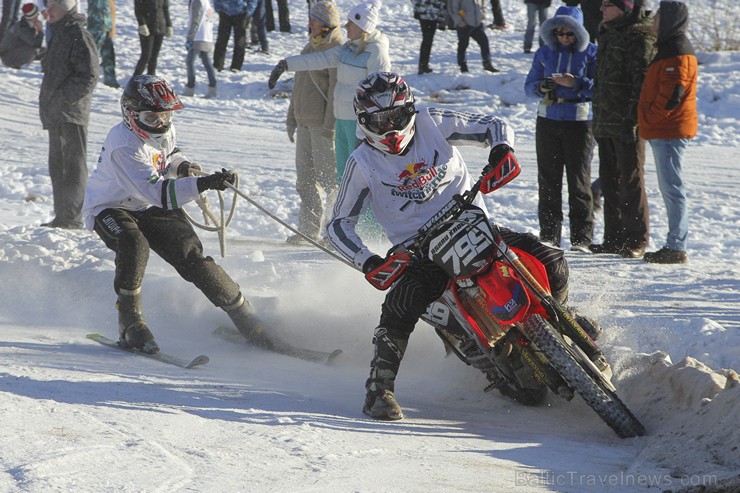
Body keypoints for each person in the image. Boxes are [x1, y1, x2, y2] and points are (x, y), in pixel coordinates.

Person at [327, 72, 573, 420]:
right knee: (401, 303)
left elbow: (494, 123)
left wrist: (502, 150)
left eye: (396, 117)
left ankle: (562, 319)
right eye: (380, 121)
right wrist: (369, 262)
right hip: (420, 250)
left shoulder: (432, 121)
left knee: (551, 259)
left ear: (409, 110)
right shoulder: (362, 162)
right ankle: (378, 389)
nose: (390, 128)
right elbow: (337, 224)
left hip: (474, 225)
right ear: (364, 121)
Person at [82, 75, 271, 354]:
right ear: (130, 114)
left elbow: (169, 156)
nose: (160, 123)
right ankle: (130, 322)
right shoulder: (124, 145)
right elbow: (158, 193)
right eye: (151, 117)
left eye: (165, 115)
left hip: (148, 204)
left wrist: (184, 167)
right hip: (112, 206)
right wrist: (203, 184)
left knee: (192, 258)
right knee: (134, 245)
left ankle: (244, 314)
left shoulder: (163, 129)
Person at [268, 0, 390, 239]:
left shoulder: (375, 51)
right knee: (344, 180)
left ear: (362, 25)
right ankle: (339, 230)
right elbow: (317, 60)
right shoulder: (346, 49)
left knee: (361, 178)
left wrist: (375, 125)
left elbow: (384, 90)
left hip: (359, 125)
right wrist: (286, 64)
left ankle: (371, 232)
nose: (346, 25)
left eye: (351, 22)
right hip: (342, 121)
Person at [524, 5, 596, 251]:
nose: (564, 38)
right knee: (548, 180)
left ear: (579, 33)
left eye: (569, 34)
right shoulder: (544, 53)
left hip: (579, 123)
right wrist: (543, 86)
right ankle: (550, 237)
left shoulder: (592, 52)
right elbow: (528, 86)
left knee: (579, 180)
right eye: (560, 33)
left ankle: (582, 239)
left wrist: (576, 83)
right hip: (548, 121)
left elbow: (600, 87)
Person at [590, 0, 655, 258]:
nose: (602, 9)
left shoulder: (639, 37)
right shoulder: (607, 33)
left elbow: (641, 84)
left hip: (628, 123)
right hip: (605, 120)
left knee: (631, 180)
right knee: (609, 179)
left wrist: (631, 121)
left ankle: (636, 238)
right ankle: (614, 238)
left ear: (625, 8)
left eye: (608, 5)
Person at [638, 1, 697, 264]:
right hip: (664, 129)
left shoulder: (676, 52)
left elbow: (672, 96)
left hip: (669, 130)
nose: (654, 21)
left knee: (673, 188)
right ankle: (676, 243)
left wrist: (649, 117)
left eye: (658, 16)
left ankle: (676, 245)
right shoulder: (668, 49)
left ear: (670, 20)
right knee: (670, 187)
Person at [284, 0, 343, 245]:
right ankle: (308, 230)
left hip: (322, 127)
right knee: (305, 180)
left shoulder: (336, 48)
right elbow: (299, 87)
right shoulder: (309, 47)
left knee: (331, 183)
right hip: (304, 124)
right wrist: (291, 118)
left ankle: (335, 232)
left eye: (315, 19)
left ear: (327, 24)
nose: (310, 23)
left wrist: (330, 126)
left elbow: (333, 93)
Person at [39, 0, 98, 229]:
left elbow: (89, 76)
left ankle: (71, 218)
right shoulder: (58, 34)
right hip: (56, 112)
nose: (47, 11)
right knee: (58, 164)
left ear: (64, 7)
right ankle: (62, 216)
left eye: (52, 6)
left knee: (72, 165)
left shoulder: (79, 35)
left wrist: (63, 99)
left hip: (71, 112)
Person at [448, 0, 498, 73]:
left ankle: (487, 64)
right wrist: (459, 21)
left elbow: (483, 5)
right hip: (463, 24)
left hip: (477, 24)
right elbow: (453, 8)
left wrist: (483, 17)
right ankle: (463, 66)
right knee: (463, 44)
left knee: (484, 42)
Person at [184, 0, 218, 98]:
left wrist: (190, 37)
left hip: (197, 37)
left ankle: (190, 87)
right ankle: (213, 87)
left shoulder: (197, 2)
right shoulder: (206, 2)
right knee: (207, 62)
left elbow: (195, 20)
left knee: (190, 62)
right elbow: (211, 19)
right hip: (207, 36)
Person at [213, 0, 256, 72]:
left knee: (240, 42)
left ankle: (236, 66)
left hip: (241, 13)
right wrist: (218, 7)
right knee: (221, 40)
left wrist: (249, 10)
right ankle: (217, 65)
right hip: (224, 12)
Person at [133, 0, 172, 76]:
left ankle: (151, 78)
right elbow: (138, 9)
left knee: (154, 57)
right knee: (146, 56)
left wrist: (169, 25)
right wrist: (142, 24)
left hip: (160, 27)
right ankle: (134, 81)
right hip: (147, 29)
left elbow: (165, 8)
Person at [0, 2, 43, 69]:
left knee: (45, 50)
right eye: (37, 15)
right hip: (8, 57)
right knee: (32, 50)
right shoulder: (22, 28)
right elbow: (36, 44)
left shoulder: (28, 24)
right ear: (33, 17)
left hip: (15, 50)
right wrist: (40, 31)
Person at [87, 0, 119, 88]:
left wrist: (113, 26)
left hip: (106, 25)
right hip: (95, 26)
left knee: (109, 56)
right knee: (92, 56)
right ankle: (87, 80)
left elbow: (111, 5)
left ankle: (110, 81)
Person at [412, 0, 447, 75]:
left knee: (427, 40)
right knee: (427, 40)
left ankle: (423, 65)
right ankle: (423, 65)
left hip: (428, 13)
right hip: (430, 14)